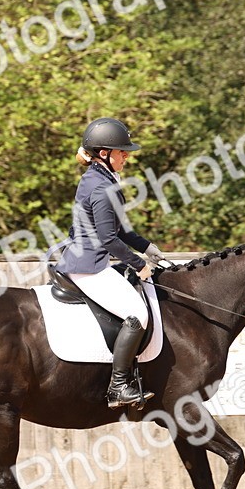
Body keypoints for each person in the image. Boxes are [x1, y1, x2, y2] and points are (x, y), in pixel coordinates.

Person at [56, 118, 167, 409]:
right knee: (137, 314)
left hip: (87, 258)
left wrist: (147, 247)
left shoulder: (100, 178)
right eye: (122, 151)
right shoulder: (102, 186)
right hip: (88, 266)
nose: (126, 156)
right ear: (104, 153)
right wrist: (138, 264)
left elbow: (119, 229)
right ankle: (118, 386)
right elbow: (108, 238)